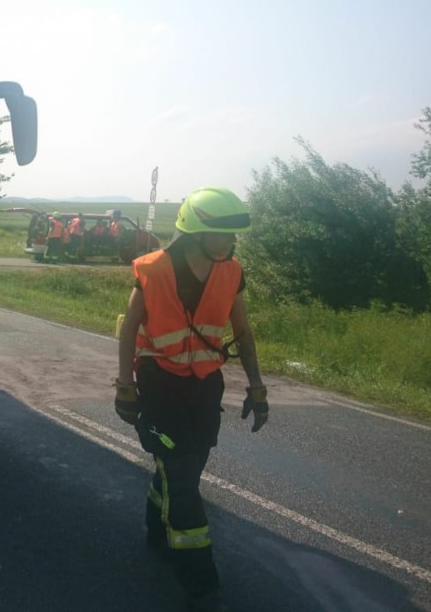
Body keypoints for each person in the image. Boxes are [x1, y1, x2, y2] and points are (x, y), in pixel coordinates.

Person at [113, 186, 267, 612]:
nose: (230, 243)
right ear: (195, 232)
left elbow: (243, 330)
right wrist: (125, 386)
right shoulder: (154, 269)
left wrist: (257, 386)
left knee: (185, 466)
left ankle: (154, 528)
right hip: (160, 386)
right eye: (222, 235)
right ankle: (198, 575)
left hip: (203, 390)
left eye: (233, 236)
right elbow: (130, 329)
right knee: (181, 477)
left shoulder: (231, 271)